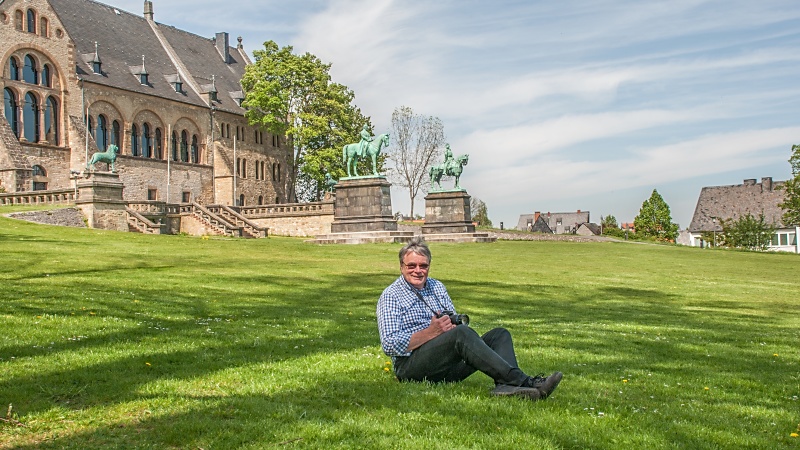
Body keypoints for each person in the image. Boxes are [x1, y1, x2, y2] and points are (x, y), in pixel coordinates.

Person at [377, 237, 563, 400]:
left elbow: (453, 320)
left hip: (445, 363)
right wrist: (431, 332)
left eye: (423, 266)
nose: (418, 270)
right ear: (401, 267)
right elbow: (389, 344)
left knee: (499, 335)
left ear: (429, 267)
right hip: (411, 367)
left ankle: (507, 387)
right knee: (461, 335)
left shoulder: (436, 287)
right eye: (412, 266)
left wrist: (448, 327)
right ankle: (525, 382)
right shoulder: (391, 296)